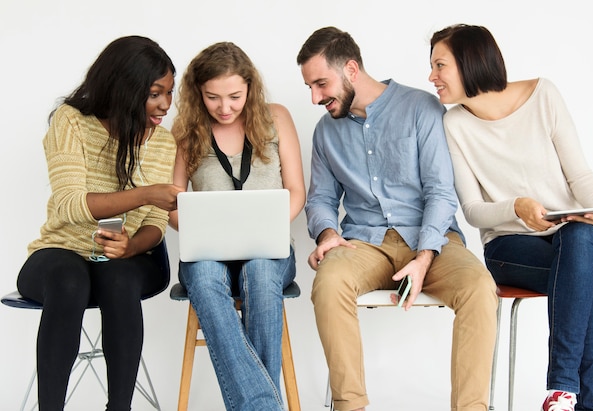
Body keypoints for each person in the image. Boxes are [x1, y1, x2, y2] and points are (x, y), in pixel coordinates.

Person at [296, 26, 498, 411]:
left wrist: (424, 257)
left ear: (351, 69)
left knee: (478, 286)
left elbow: (441, 190)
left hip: (432, 240)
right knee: (330, 280)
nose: (315, 97)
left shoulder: (421, 108)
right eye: (309, 87)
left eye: (321, 84)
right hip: (364, 243)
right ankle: (350, 405)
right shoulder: (325, 133)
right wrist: (326, 234)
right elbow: (321, 197)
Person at [429, 24, 593, 411]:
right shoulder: (455, 124)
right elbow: (472, 209)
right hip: (509, 249)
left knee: (579, 241)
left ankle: (561, 388)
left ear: (469, 62)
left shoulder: (543, 94)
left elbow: (578, 174)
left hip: (576, 234)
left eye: (439, 65)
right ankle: (584, 401)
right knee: (588, 279)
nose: (432, 77)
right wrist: (516, 207)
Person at [16, 36, 182, 411]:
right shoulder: (71, 121)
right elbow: (72, 205)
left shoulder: (163, 142)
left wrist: (132, 246)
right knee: (70, 278)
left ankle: (119, 407)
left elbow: (155, 224)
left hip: (127, 260)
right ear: (126, 88)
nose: (165, 105)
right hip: (60, 253)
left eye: (169, 93)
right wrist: (145, 193)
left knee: (118, 275)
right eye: (155, 94)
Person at [168, 42, 305, 411]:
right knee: (207, 282)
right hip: (207, 253)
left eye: (234, 97)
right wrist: (197, 225)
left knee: (260, 272)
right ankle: (265, 405)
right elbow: (173, 204)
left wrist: (265, 221)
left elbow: (296, 192)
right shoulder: (186, 132)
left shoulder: (277, 117)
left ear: (250, 88)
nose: (224, 108)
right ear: (199, 93)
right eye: (213, 98)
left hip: (269, 248)